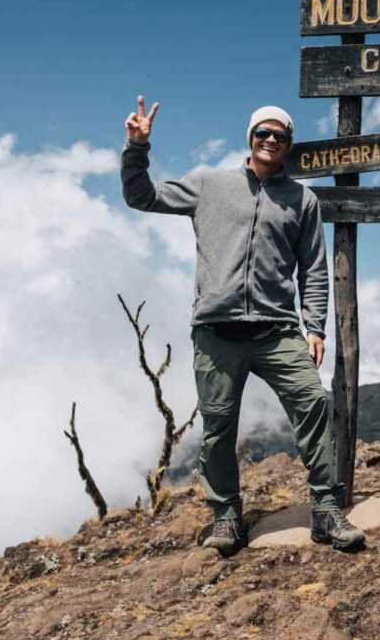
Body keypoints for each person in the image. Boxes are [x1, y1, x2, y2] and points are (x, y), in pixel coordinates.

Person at [120, 96, 365, 556]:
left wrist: (314, 327)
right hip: (217, 330)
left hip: (277, 330)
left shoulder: (302, 200)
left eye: (280, 135)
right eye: (263, 133)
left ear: (288, 144)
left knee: (314, 404)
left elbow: (314, 269)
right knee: (218, 428)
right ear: (250, 138)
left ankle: (327, 510)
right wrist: (137, 148)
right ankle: (227, 516)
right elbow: (142, 196)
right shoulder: (209, 185)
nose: (270, 140)